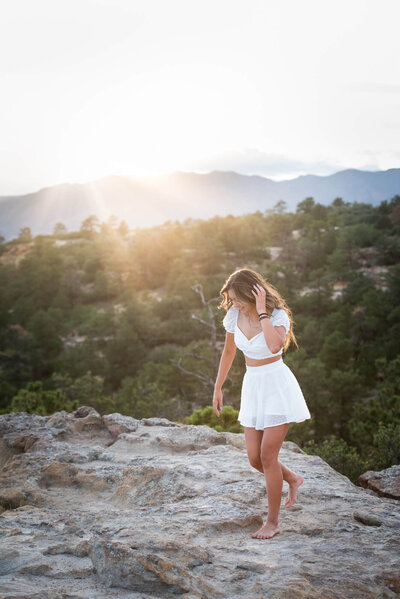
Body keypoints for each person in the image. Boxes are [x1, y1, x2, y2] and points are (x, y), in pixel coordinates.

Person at [212, 268, 312, 540]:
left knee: (268, 456)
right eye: (231, 299)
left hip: (276, 385)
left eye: (237, 298)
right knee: (255, 458)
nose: (234, 304)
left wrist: (262, 312)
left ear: (252, 292)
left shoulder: (277, 315)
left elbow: (273, 346)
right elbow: (229, 350)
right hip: (253, 385)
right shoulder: (234, 315)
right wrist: (218, 386)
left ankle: (273, 522)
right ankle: (291, 478)